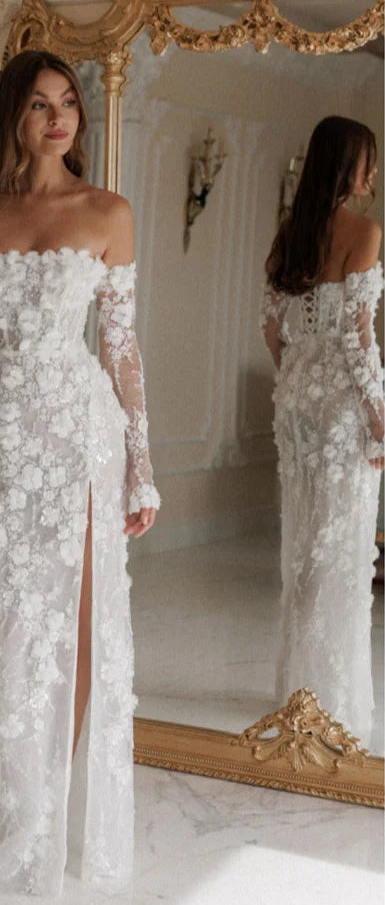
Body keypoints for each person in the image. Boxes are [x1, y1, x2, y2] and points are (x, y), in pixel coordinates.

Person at [0, 49, 160, 894]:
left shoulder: (108, 213)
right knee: (7, 642)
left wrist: (140, 468)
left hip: (80, 444)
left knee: (86, 633)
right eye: (39, 105)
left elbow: (122, 350)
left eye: (68, 104)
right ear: (11, 118)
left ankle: (60, 816)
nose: (59, 118)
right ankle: (17, 825)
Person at [261, 115, 383, 744]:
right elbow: (362, 341)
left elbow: (272, 331)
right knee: (341, 547)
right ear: (345, 166)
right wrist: (379, 417)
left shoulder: (291, 234)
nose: (374, 172)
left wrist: (298, 382)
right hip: (339, 409)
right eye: (368, 160)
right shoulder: (364, 231)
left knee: (304, 542)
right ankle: (331, 698)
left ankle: (295, 686)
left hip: (297, 406)